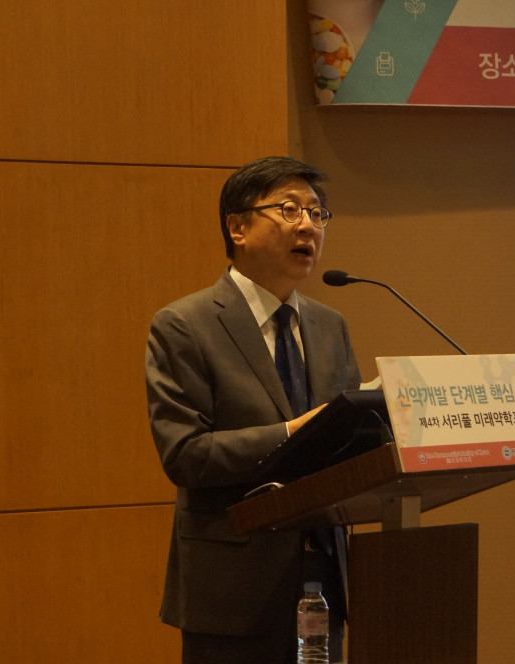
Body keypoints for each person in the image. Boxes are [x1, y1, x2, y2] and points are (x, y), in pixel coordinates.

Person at [144, 156, 361, 663]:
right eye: (289, 209)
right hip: (232, 587)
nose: (308, 225)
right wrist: (291, 432)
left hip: (322, 579)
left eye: (317, 213)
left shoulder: (330, 326)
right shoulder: (185, 325)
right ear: (237, 227)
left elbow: (347, 448)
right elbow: (185, 455)